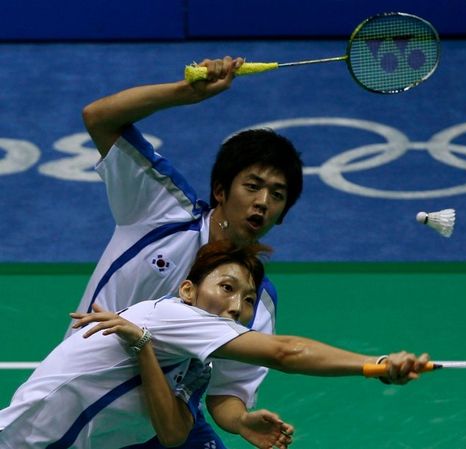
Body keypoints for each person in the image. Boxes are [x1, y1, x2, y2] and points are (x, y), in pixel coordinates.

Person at [70, 55, 304, 448]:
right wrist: (184, 93)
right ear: (220, 191)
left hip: (165, 425)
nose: (262, 202)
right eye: (252, 186)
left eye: (277, 196)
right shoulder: (158, 210)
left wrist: (241, 420)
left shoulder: (255, 301)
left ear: (282, 215)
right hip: (85, 398)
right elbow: (99, 117)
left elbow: (226, 390)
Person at [0, 241, 430, 449]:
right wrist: (375, 364)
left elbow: (172, 434)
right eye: (226, 287)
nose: (236, 306)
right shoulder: (173, 315)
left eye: (247, 300)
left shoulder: (192, 361)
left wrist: (144, 348)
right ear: (187, 291)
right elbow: (285, 352)